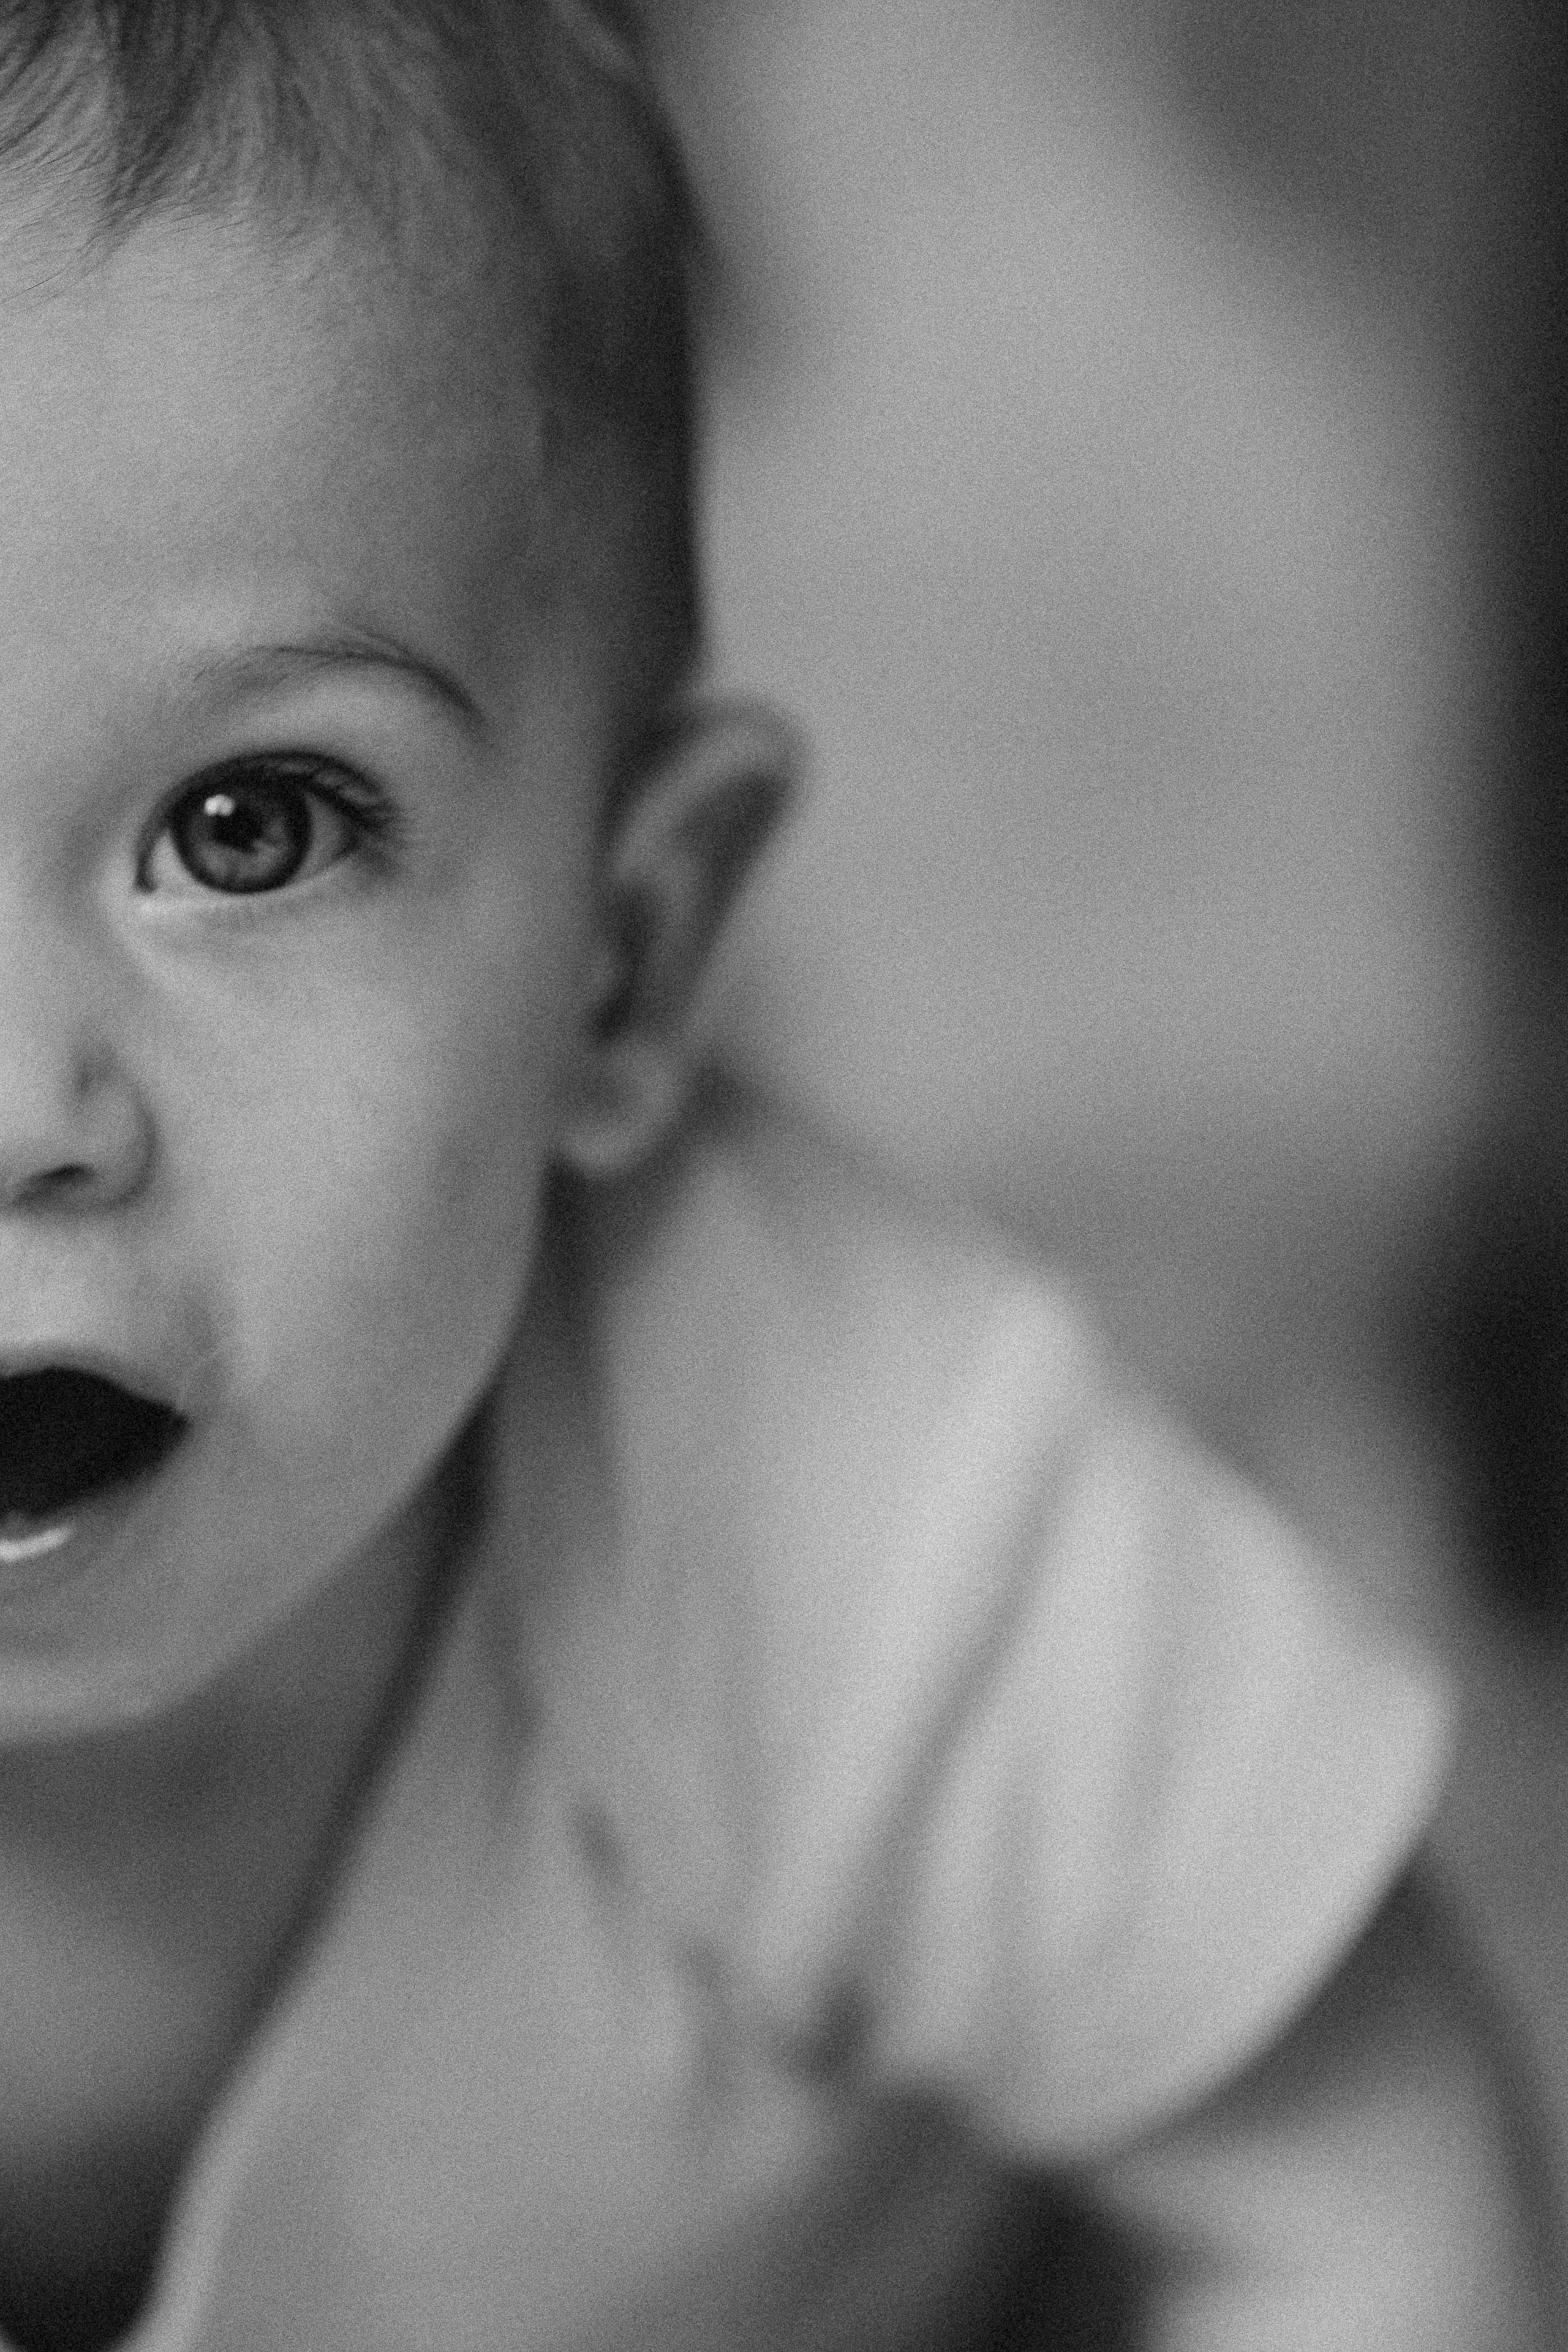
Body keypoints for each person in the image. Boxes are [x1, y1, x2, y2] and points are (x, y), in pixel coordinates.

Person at [0, 3, 1550, 2347]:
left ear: (620, 960)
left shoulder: (839, 1505)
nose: (28, 1097)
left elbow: (1356, 2165)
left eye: (251, 828)